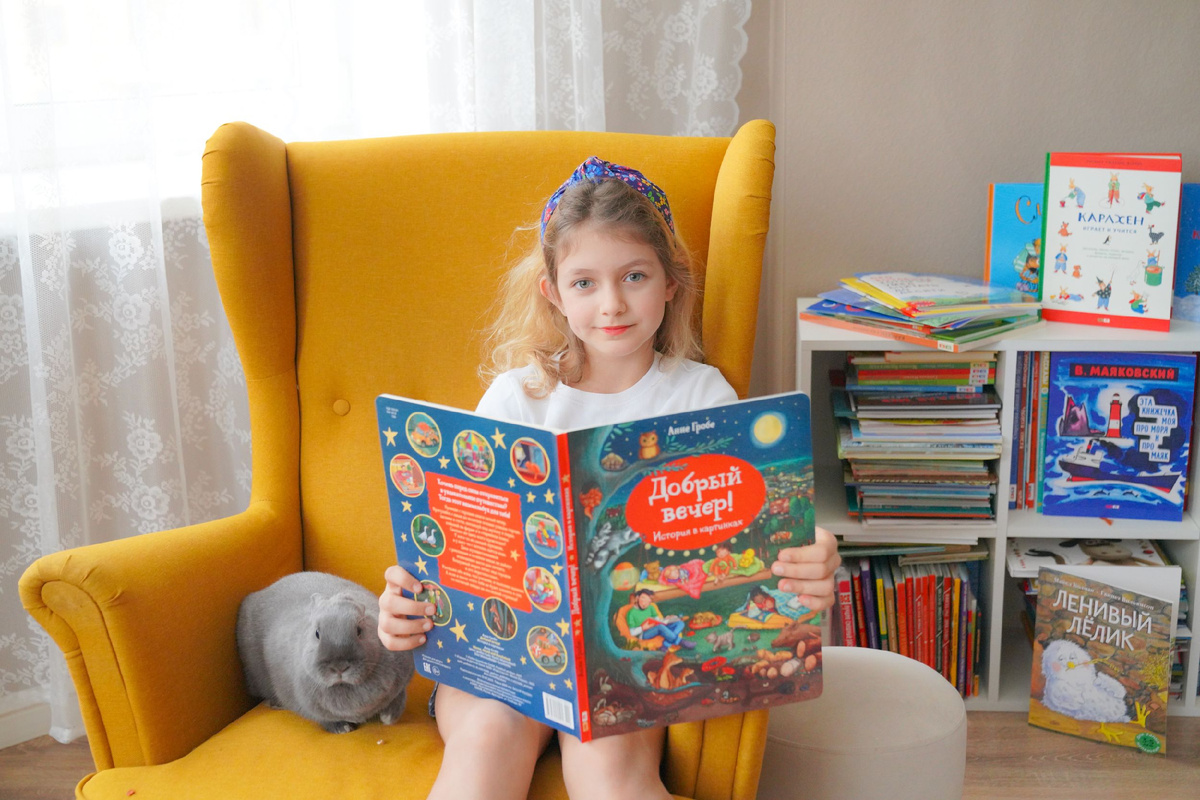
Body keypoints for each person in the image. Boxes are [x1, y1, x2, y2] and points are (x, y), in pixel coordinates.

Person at [377, 156, 841, 800]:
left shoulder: (700, 398)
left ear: (671, 281)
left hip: (625, 663)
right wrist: (407, 602)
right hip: (503, 662)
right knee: (485, 742)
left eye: (634, 276)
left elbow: (751, 534)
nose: (612, 304)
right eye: (585, 282)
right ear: (553, 292)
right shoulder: (515, 399)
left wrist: (809, 556)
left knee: (608, 773)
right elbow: (457, 549)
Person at [625, 588, 691, 651]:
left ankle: (666, 645)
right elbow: (632, 633)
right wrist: (642, 628)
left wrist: (666, 619)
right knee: (660, 627)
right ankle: (680, 642)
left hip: (656, 627)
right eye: (643, 599)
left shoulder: (651, 607)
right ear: (637, 598)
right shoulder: (631, 613)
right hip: (644, 634)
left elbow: (657, 620)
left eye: (648, 601)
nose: (645, 604)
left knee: (680, 623)